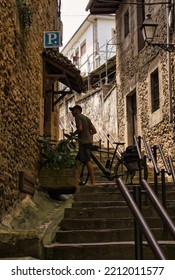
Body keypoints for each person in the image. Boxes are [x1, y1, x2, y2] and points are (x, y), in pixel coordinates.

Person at [69, 105, 97, 187]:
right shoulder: (86, 118)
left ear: (78, 110)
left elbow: (80, 129)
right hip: (88, 142)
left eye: (73, 110)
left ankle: (93, 182)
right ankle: (77, 180)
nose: (72, 112)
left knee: (88, 161)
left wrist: (72, 135)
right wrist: (88, 134)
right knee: (77, 161)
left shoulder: (78, 117)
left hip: (84, 142)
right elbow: (94, 130)